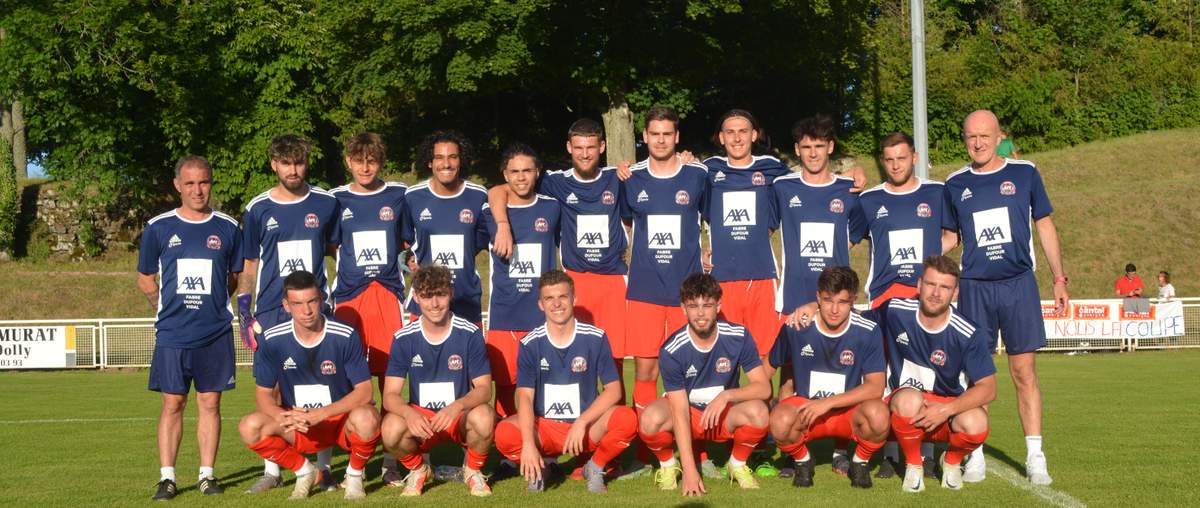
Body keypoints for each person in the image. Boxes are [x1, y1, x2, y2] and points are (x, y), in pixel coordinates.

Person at [942, 109, 1069, 485]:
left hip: (1018, 284)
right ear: (964, 139)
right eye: (970, 137)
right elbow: (951, 237)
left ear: (999, 137)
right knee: (976, 375)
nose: (978, 142)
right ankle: (975, 453)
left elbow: (1044, 224)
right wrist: (915, 259)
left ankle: (1035, 456)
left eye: (985, 135)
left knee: (1023, 372)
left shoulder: (1024, 172)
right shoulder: (955, 183)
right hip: (975, 288)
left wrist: (1059, 278)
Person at [486, 119, 629, 400]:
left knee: (614, 362)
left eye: (591, 147)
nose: (585, 154)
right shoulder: (554, 183)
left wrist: (685, 157)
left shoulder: (619, 177)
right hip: (574, 280)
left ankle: (614, 430)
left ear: (602, 147)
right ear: (568, 147)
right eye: (578, 147)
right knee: (575, 358)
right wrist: (502, 223)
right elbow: (500, 189)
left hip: (613, 282)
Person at [237, 134, 341, 493]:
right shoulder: (257, 208)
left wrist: (336, 296)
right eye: (285, 163)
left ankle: (325, 468)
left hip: (315, 308)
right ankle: (274, 468)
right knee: (274, 389)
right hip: (271, 311)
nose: (293, 170)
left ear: (306, 163)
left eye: (298, 162)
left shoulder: (326, 203)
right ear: (274, 165)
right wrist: (244, 308)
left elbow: (335, 252)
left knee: (319, 383)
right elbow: (250, 264)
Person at [137, 156, 243, 500]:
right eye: (191, 183)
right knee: (172, 404)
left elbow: (233, 278)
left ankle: (207, 475)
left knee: (210, 405)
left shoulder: (228, 227)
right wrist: (164, 307)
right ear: (177, 185)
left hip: (215, 334)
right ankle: (167, 478)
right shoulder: (158, 227)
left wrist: (212, 306)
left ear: (211, 183)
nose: (198, 190)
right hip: (173, 335)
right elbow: (145, 278)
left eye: (204, 182)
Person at [237, 270, 381, 500]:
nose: (306, 311)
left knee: (367, 417)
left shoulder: (345, 335)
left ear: (321, 300)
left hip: (339, 422)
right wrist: (280, 415)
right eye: (297, 303)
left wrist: (322, 413)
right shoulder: (272, 339)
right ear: (286, 305)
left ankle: (354, 476)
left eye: (312, 301)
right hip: (299, 425)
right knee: (249, 426)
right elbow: (263, 394)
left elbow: (365, 392)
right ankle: (305, 471)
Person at [493, 270, 638, 493]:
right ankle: (544, 466)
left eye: (563, 296)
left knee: (627, 419)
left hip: (586, 427)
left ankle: (595, 466)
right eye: (549, 298)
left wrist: (582, 421)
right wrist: (529, 444)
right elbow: (524, 395)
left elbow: (614, 390)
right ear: (541, 304)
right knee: (504, 434)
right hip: (546, 429)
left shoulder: (595, 337)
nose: (557, 304)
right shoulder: (530, 343)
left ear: (574, 298)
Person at [856, 132, 948, 478]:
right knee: (888, 375)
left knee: (922, 373)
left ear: (914, 156)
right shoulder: (869, 200)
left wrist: (933, 265)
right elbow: (846, 235)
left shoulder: (936, 193)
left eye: (901, 157)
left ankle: (923, 449)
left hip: (922, 300)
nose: (895, 165)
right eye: (889, 159)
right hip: (882, 299)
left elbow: (953, 234)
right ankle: (891, 450)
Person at [638, 273, 772, 495]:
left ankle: (737, 464)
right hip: (689, 416)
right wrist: (691, 471)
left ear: (718, 305)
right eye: (693, 306)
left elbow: (764, 387)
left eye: (707, 305)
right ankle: (670, 465)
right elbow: (679, 411)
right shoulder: (672, 349)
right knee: (650, 418)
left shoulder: (738, 336)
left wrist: (726, 396)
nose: (700, 313)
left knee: (760, 411)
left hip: (722, 414)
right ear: (683, 308)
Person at [329, 132, 410, 484]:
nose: (365, 166)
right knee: (351, 383)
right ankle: (353, 463)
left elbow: (408, 245)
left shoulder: (398, 196)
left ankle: (393, 460)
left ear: (380, 161)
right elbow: (331, 246)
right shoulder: (335, 199)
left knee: (389, 380)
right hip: (350, 300)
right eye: (358, 159)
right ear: (348, 161)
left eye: (372, 160)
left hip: (388, 297)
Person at [620, 106, 710, 418]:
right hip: (645, 292)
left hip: (688, 292)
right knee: (646, 372)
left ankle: (698, 448)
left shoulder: (697, 174)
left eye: (667, 134)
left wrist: (709, 250)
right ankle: (647, 450)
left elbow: (713, 219)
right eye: (654, 134)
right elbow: (628, 225)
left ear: (677, 137)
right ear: (644, 136)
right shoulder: (631, 178)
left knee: (693, 370)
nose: (660, 140)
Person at [881, 256, 996, 492]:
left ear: (955, 293)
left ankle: (951, 462)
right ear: (919, 285)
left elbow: (988, 388)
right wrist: (813, 307)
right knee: (908, 399)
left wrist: (945, 410)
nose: (936, 293)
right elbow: (855, 321)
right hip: (904, 408)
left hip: (945, 411)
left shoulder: (968, 333)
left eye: (945, 287)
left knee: (977, 422)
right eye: (931, 284)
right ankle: (914, 466)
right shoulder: (895, 310)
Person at [767, 266, 888, 489]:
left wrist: (826, 403)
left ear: (853, 301)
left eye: (842, 302)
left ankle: (859, 462)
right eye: (827, 300)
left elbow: (876, 388)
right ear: (818, 298)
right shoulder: (796, 326)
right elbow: (769, 367)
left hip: (846, 413)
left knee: (879, 415)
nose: (834, 309)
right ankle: (803, 461)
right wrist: (757, 397)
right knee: (779, 419)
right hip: (806, 412)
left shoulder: (868, 331)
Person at [380, 265, 494, 497]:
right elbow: (389, 395)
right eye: (427, 296)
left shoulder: (470, 333)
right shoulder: (403, 338)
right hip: (422, 418)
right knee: (390, 428)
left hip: (456, 416)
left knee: (484, 416)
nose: (434, 304)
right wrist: (409, 414)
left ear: (451, 293)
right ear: (416, 298)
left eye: (440, 294)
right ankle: (419, 470)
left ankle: (472, 471)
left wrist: (457, 406)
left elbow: (484, 390)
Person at [479, 143, 561, 417]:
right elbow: (494, 193)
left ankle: (544, 449)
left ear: (537, 172)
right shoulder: (489, 212)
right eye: (514, 171)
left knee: (544, 386)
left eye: (527, 170)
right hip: (505, 315)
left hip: (542, 316)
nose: (521, 177)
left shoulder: (552, 207)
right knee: (503, 388)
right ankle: (508, 453)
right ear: (505, 174)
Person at [702, 109, 790, 357]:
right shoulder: (707, 169)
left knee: (765, 355)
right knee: (722, 356)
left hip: (762, 275)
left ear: (754, 135)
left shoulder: (772, 168)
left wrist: (848, 177)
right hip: (722, 278)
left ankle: (762, 398)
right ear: (721, 137)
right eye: (730, 132)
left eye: (743, 131)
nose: (737, 138)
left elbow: (810, 183)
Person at [773, 114, 868, 327]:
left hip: (836, 301)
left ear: (830, 147)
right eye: (806, 147)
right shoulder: (782, 187)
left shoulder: (849, 189)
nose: (813, 154)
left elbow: (859, 229)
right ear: (797, 150)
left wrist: (840, 248)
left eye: (819, 146)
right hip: (794, 298)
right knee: (789, 360)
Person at [401, 130, 488, 327]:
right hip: (426, 298)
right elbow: (405, 242)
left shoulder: (478, 196)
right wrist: (409, 262)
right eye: (439, 157)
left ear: (461, 160)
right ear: (430, 162)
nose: (446, 164)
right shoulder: (413, 197)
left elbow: (479, 242)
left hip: (466, 298)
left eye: (453, 157)